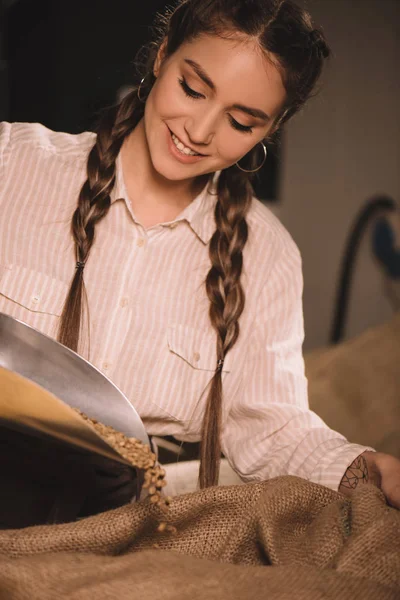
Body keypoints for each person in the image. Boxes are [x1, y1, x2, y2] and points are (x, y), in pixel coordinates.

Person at [0, 0, 399, 511]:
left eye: (241, 121)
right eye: (192, 89)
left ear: (269, 131)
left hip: (126, 522)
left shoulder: (268, 257)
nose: (200, 131)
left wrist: (363, 468)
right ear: (161, 57)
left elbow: (275, 429)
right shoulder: (14, 161)